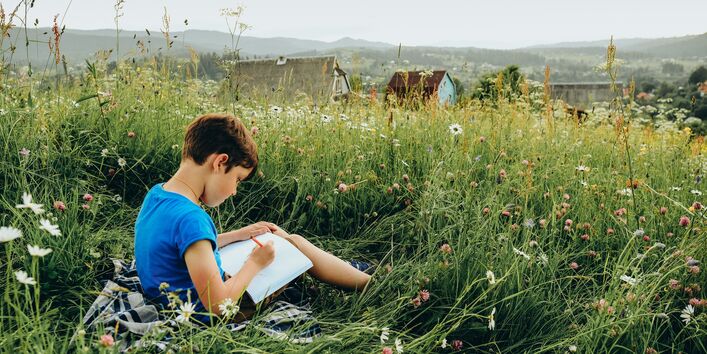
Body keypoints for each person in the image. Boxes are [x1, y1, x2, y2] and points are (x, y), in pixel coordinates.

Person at [134, 113, 371, 324]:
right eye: (237, 179)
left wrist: (237, 235)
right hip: (208, 312)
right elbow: (218, 307)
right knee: (293, 245)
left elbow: (183, 246)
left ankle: (352, 271)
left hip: (170, 298)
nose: (234, 191)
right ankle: (370, 284)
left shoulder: (158, 194)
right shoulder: (191, 218)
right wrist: (255, 263)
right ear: (220, 162)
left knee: (274, 237)